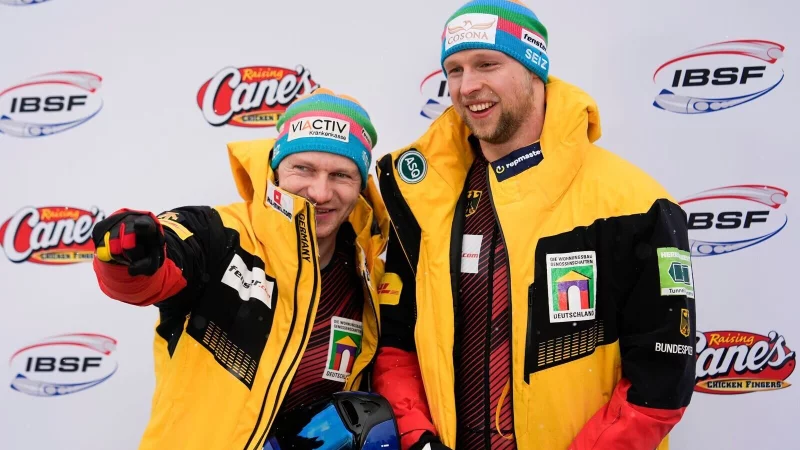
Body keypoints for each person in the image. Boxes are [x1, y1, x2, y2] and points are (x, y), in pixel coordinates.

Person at [370, 1, 697, 449]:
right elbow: (395, 347)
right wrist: (418, 437)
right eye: (455, 69)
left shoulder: (635, 203)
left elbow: (660, 385)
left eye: (488, 64)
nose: (469, 86)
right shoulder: (428, 199)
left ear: (534, 71)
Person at [90, 88, 390, 450]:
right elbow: (157, 269)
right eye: (304, 169)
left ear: (360, 184)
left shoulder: (367, 266)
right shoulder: (220, 235)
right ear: (276, 169)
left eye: (341, 175)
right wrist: (133, 253)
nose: (320, 192)